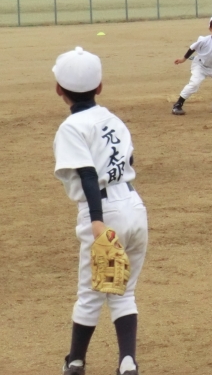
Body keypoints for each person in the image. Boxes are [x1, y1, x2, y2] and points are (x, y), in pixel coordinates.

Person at [52, 47, 148, 375]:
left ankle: (75, 363)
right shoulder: (112, 119)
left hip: (105, 214)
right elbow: (128, 160)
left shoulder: (72, 127)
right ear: (100, 86)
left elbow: (88, 175)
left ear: (59, 90)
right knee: (123, 290)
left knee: (91, 295)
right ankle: (127, 362)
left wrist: (96, 220)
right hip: (134, 207)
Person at [171, 14, 212, 115]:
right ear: (210, 28)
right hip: (199, 65)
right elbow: (192, 48)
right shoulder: (204, 40)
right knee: (194, 84)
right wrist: (183, 59)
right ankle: (177, 105)